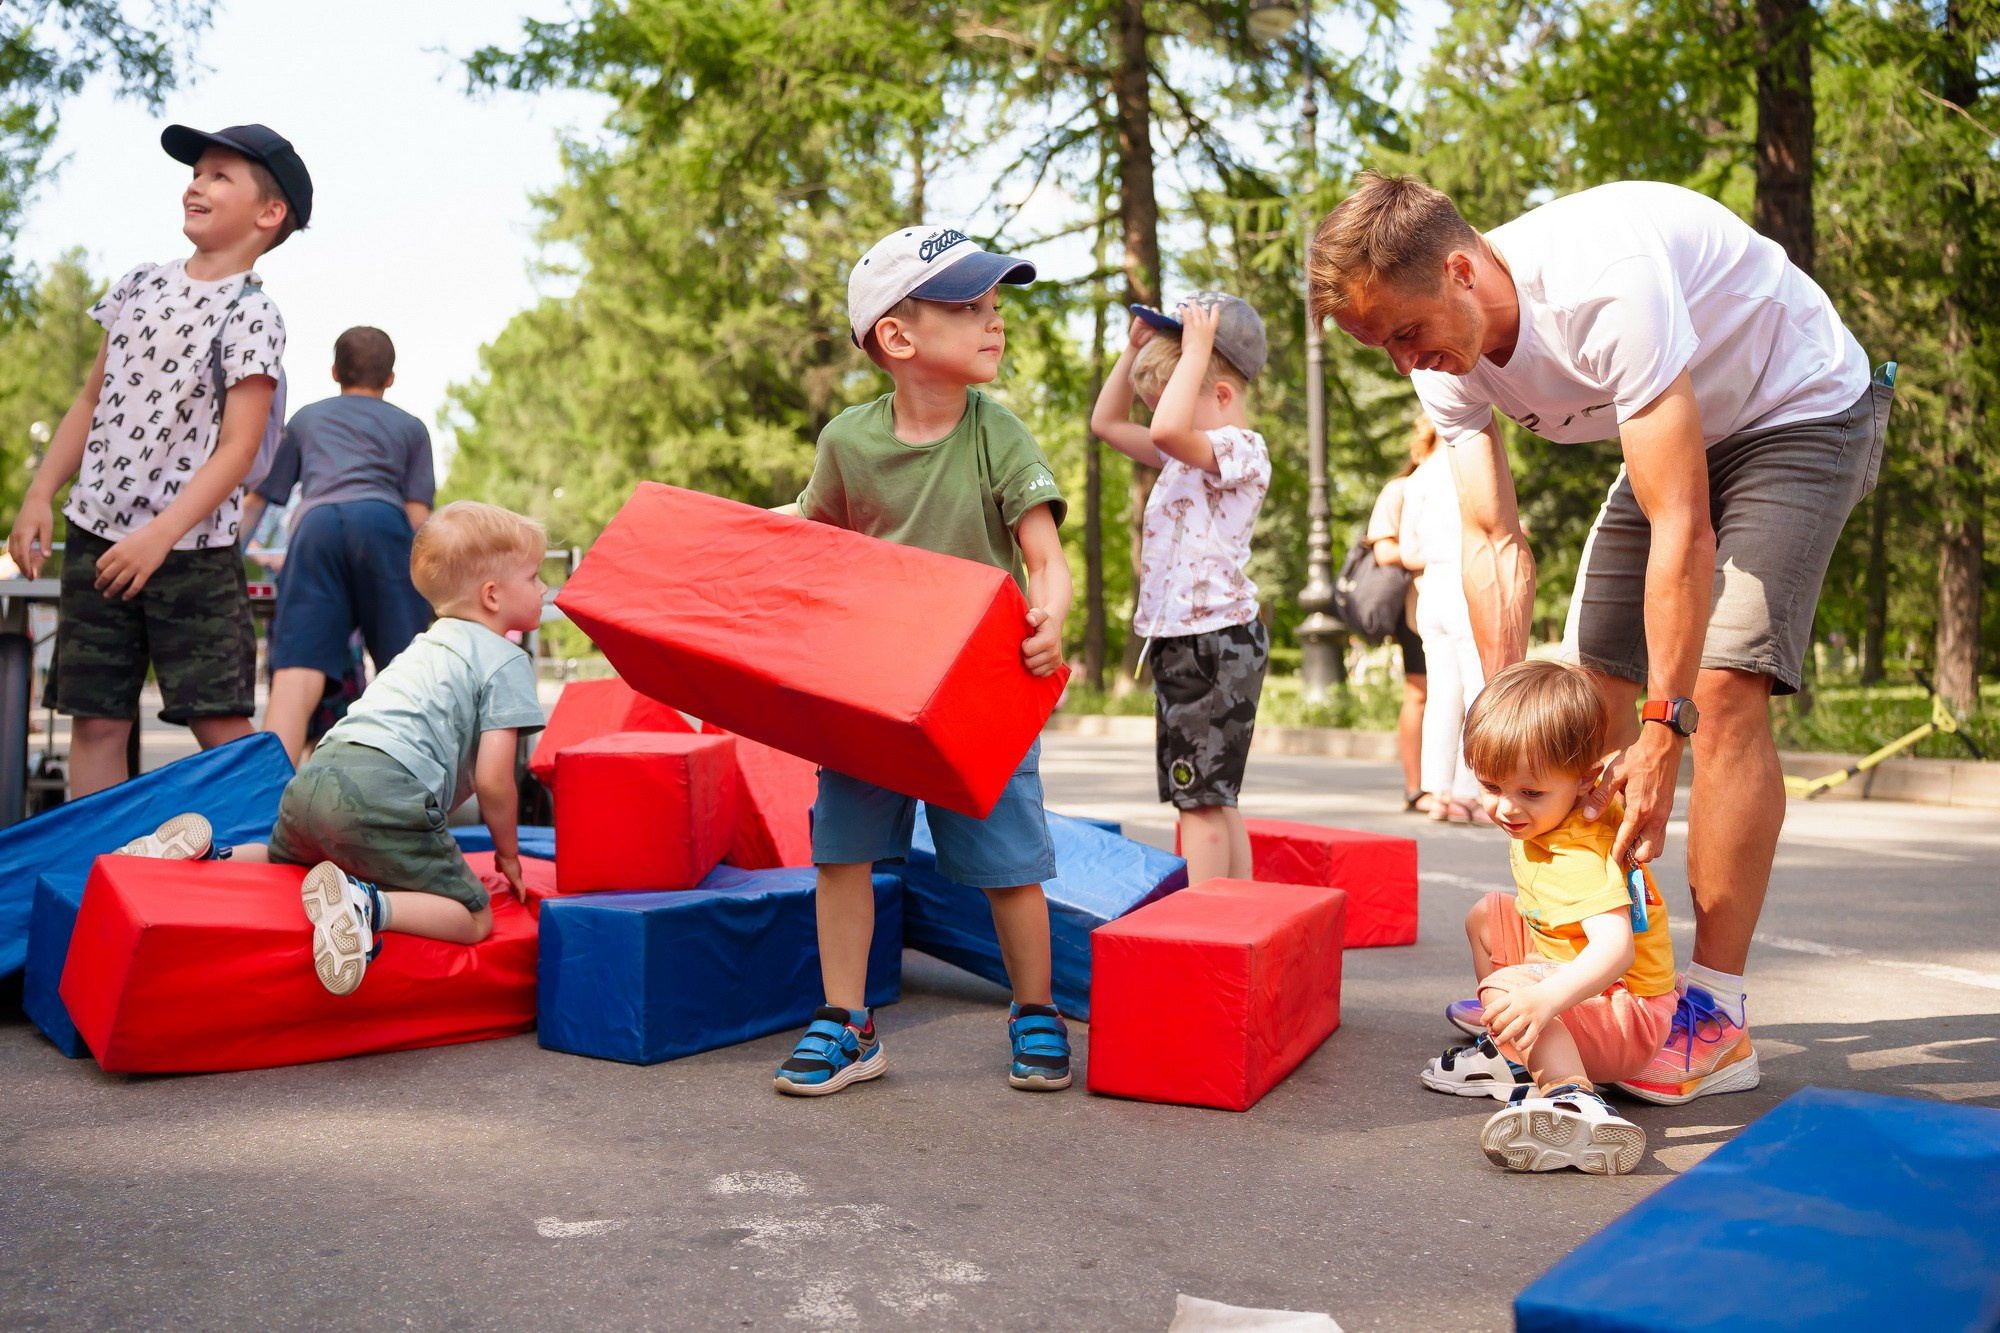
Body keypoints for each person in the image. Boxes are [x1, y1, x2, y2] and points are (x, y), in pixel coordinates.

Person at [1309, 173, 1891, 1104]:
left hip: (1799, 410)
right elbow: (1493, 541)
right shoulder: (1440, 362)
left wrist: (1664, 731)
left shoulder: (1601, 282)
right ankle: (1584, 975)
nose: (1405, 362)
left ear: (1460, 270)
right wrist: (1508, 729)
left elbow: (1682, 526)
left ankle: (1716, 1015)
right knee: (1583, 704)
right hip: (1677, 426)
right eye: (1383, 346)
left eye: (1407, 332)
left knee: (1719, 688)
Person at [771, 225, 1072, 1098]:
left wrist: (1050, 614)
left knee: (1009, 863)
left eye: (994, 303)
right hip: (870, 685)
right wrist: (711, 535)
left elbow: (1045, 556)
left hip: (978, 689)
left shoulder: (997, 432)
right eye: (969, 306)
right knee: (843, 851)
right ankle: (846, 1021)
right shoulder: (848, 442)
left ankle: (1036, 1009)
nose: (994, 320)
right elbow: (809, 535)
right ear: (898, 337)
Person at [119, 503, 547, 996]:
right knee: (475, 919)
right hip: (383, 794)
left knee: (288, 863)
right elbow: (494, 780)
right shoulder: (505, 660)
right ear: (492, 595)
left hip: (316, 776)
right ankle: (366, 906)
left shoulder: (425, 644)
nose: (543, 589)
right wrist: (508, 855)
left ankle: (209, 858)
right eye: (533, 577)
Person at [6, 123, 310, 798]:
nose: (196, 185)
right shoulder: (139, 284)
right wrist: (40, 492)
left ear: (269, 212)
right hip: (97, 534)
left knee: (218, 721)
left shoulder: (253, 313)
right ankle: (97, 860)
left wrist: (161, 534)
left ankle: (278, 850)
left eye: (220, 175)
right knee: (96, 721)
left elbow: (238, 449)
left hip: (191, 549)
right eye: (196, 172)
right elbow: (90, 401)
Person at [1420, 659, 1675, 1175]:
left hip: (1629, 1016)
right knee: (1488, 917)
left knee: (1508, 989)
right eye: (1491, 787)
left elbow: (1616, 951)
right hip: (1596, 991)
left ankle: (1572, 1097)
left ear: (1585, 782)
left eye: (1530, 793)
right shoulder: (1548, 818)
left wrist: (1542, 999)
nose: (1507, 808)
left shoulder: (1577, 854)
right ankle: (1517, 1054)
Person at [1089, 293, 1272, 885]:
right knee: (1211, 796)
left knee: (1199, 798)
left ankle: (1205, 923)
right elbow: (1106, 424)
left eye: (1171, 398)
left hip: (1212, 641)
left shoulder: (1241, 449)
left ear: (1220, 394)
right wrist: (1132, 352)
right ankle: (1234, 914)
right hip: (1189, 642)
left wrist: (1194, 351)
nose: (1158, 418)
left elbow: (1167, 431)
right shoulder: (1185, 457)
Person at [242, 326, 437, 762]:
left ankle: (270, 794)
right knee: (405, 668)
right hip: (384, 524)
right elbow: (418, 517)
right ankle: (415, 784)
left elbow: (257, 500)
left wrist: (227, 556)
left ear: (334, 372)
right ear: (390, 378)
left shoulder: (306, 419)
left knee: (296, 674)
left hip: (317, 526)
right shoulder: (412, 428)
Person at [1399, 415, 1490, 824]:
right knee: (1477, 687)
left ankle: (1438, 792)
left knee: (1441, 692)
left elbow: (1408, 552)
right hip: (1465, 579)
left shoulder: (1417, 478)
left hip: (1431, 587)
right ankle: (1470, 793)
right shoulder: (1467, 465)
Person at [1364, 417, 1434, 814]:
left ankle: (1459, 786)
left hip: (1464, 599)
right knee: (1419, 693)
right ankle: (1415, 788)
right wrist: (1436, 554)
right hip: (1416, 606)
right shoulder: (1401, 489)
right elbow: (1383, 550)